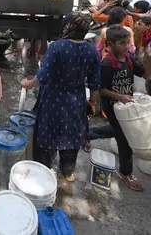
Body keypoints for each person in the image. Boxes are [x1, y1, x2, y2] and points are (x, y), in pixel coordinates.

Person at [20, 13, 100, 181]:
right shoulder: (91, 49)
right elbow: (94, 82)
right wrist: (92, 102)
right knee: (71, 134)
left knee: (47, 134)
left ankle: (44, 168)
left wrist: (28, 84)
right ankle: (68, 170)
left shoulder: (57, 47)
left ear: (67, 27)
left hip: (53, 99)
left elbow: (43, 77)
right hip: (77, 100)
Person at [99, 25, 151, 191]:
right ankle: (125, 172)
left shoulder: (129, 59)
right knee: (125, 140)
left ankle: (87, 135)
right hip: (112, 107)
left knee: (118, 132)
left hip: (125, 107)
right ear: (110, 43)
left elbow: (147, 75)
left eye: (127, 42)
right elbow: (100, 89)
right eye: (122, 43)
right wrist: (119, 97)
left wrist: (150, 59)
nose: (125, 46)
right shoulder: (107, 64)